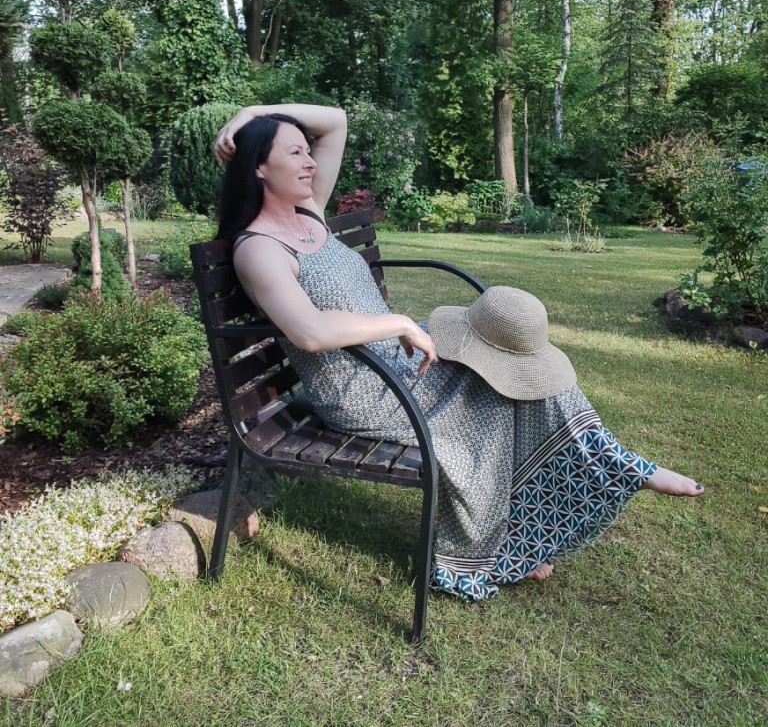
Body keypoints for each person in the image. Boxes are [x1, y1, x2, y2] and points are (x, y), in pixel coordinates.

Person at [214, 103, 703, 601]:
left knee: (516, 355)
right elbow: (310, 332)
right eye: (294, 153)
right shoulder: (259, 248)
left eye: (307, 151)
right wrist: (401, 322)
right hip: (366, 391)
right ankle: (595, 482)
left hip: (397, 364)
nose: (310, 162)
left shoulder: (308, 213)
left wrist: (251, 113)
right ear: (258, 167)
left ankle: (587, 482)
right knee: (497, 388)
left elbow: (335, 121)